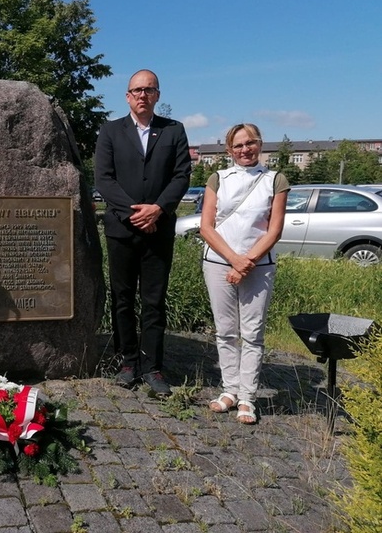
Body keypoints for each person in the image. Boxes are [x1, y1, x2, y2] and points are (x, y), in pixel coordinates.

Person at [95, 69, 191, 398]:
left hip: (158, 230)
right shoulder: (110, 131)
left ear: (157, 96)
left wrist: (158, 209)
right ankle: (127, 361)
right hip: (122, 229)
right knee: (122, 299)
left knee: (154, 301)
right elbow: (104, 180)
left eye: (148, 90)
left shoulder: (173, 131)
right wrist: (137, 212)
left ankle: (152, 367)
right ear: (126, 96)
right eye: (136, 90)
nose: (142, 95)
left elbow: (181, 177)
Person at [200, 123, 288, 424]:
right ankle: (229, 389)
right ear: (228, 150)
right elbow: (206, 226)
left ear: (260, 144)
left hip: (258, 266)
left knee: (252, 333)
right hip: (218, 262)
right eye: (238, 145)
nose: (244, 150)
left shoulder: (275, 179)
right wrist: (233, 260)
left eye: (250, 143)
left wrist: (246, 261)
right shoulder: (218, 178)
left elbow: (274, 229)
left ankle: (248, 396)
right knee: (225, 330)